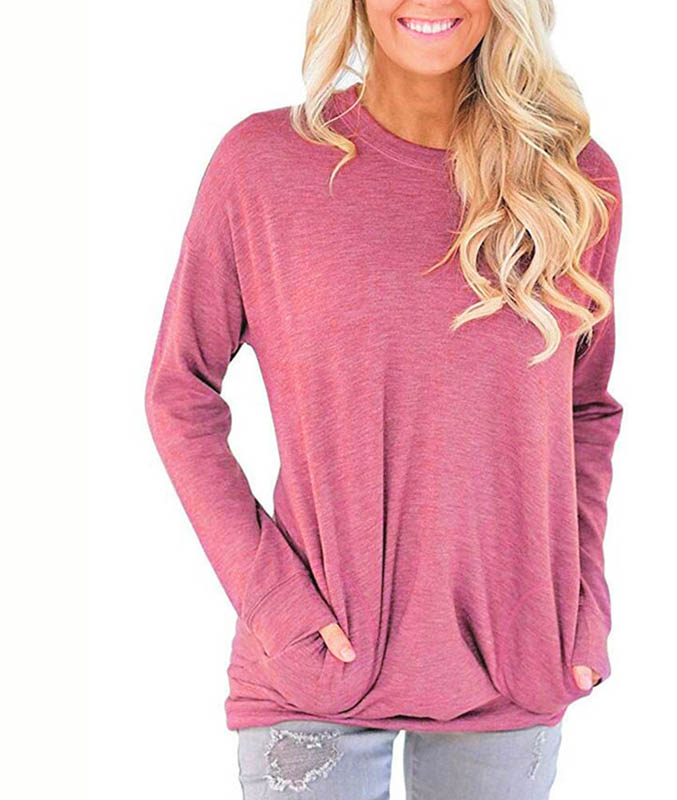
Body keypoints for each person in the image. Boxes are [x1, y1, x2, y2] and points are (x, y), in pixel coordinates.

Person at [144, 1, 625, 797]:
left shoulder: (571, 182)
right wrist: (273, 601)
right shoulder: (262, 165)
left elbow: (585, 410)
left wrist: (582, 603)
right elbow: (179, 393)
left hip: (514, 663)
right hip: (314, 665)